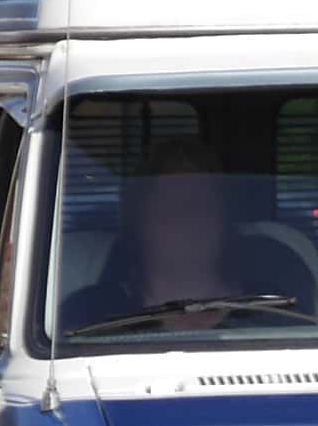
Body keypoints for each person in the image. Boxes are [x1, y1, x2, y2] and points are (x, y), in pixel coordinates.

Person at [56, 139, 247, 332]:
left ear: (224, 218)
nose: (187, 219)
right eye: (170, 206)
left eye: (201, 204)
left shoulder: (271, 308)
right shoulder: (89, 315)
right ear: (139, 223)